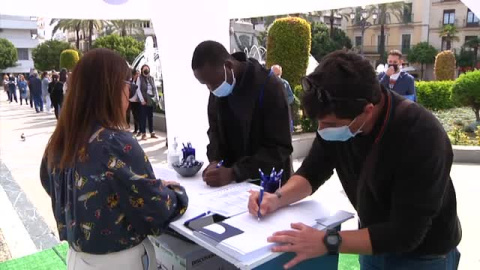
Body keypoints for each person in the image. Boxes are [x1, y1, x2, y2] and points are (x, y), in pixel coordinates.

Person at [247, 51, 461, 270]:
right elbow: (313, 171)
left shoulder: (421, 134)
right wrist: (276, 198)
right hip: (370, 239)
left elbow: (406, 233)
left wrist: (326, 241)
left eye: (329, 124)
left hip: (424, 255)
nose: (322, 130)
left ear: (367, 110)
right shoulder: (340, 117)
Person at [40, 48, 188, 270]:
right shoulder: (116, 143)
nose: (129, 96)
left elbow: (50, 183)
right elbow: (155, 211)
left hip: (77, 259)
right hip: (120, 262)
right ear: (111, 89)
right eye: (128, 86)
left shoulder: (60, 139)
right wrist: (175, 193)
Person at [191, 40, 293, 187]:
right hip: (230, 187)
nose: (210, 89)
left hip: (268, 184)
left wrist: (235, 172)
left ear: (229, 66)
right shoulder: (218, 85)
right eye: (205, 84)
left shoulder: (269, 86)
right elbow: (214, 131)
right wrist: (215, 161)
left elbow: (280, 147)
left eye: (212, 83)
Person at [136, 64, 159, 141]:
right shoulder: (140, 78)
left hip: (151, 99)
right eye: (145, 69)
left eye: (147, 68)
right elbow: (138, 89)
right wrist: (142, 100)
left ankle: (152, 132)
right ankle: (143, 133)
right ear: (142, 70)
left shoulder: (151, 78)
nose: (146, 70)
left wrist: (156, 98)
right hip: (144, 99)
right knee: (143, 117)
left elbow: (155, 88)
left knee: (150, 116)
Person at [128, 69, 141, 136]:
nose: (138, 75)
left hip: (138, 101)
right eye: (136, 74)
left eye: (138, 74)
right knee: (134, 115)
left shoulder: (140, 81)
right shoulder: (130, 81)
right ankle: (136, 130)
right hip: (132, 101)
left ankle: (139, 130)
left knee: (138, 116)